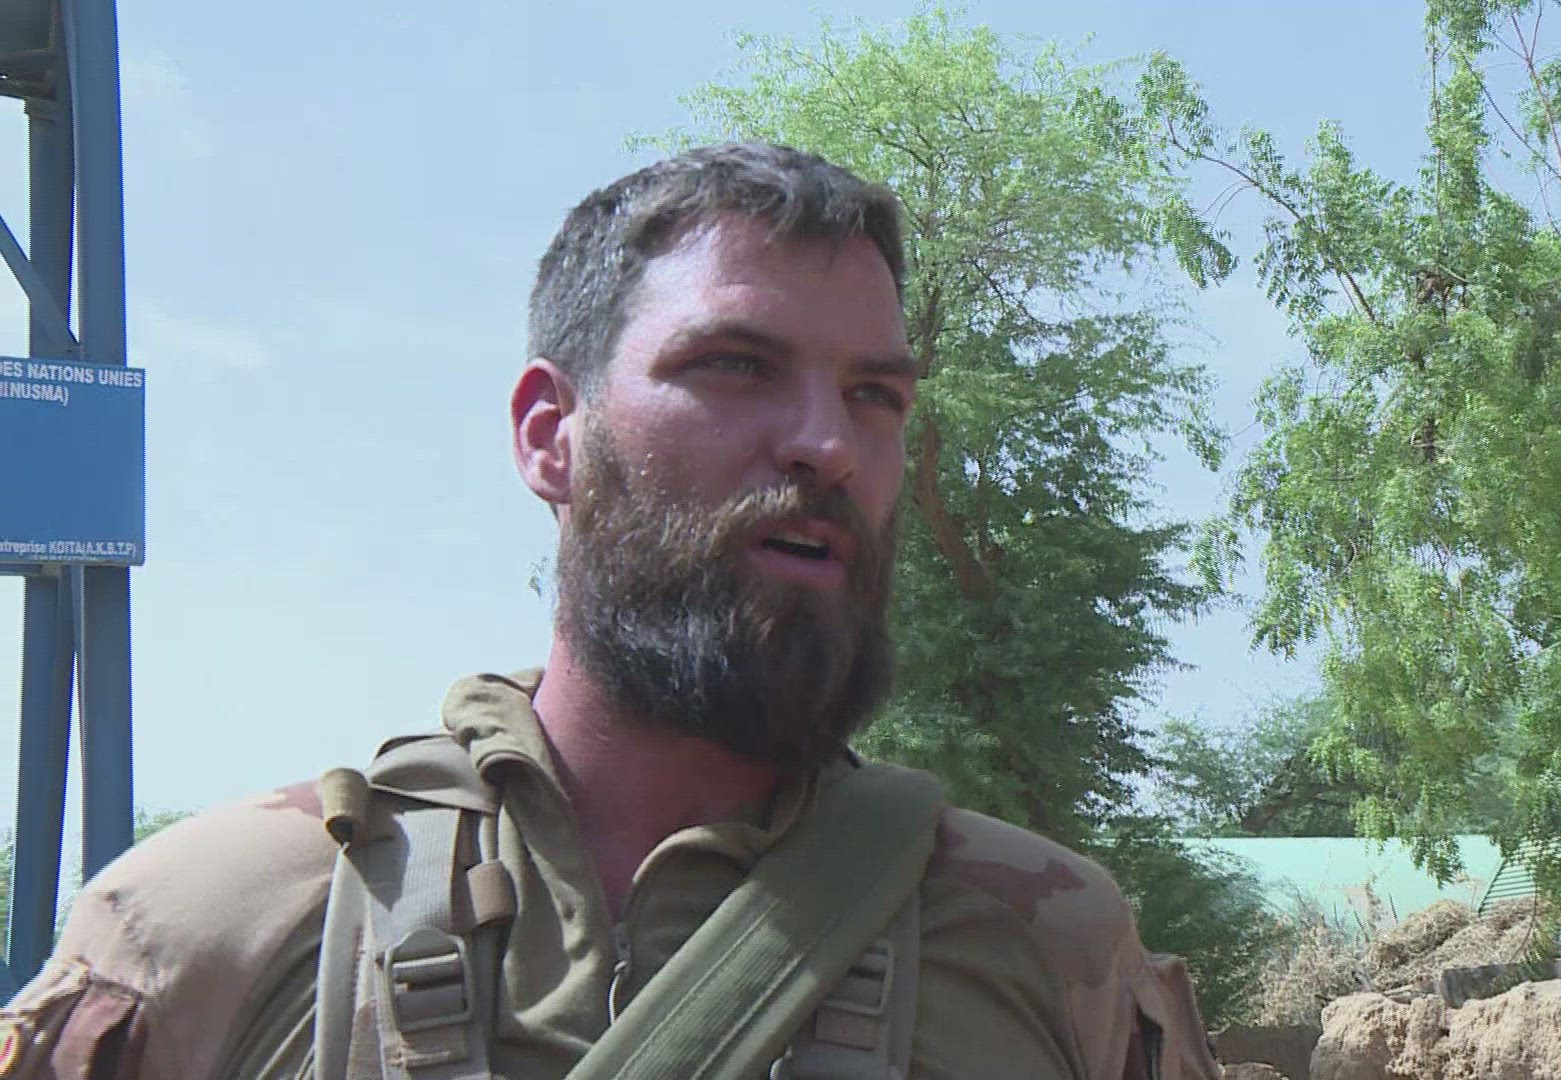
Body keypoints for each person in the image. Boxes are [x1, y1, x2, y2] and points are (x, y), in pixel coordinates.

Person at [0, 143, 1221, 1079]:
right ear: (551, 435)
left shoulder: (1053, 950)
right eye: (735, 366)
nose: (829, 444)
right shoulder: (203, 935)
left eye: (875, 396)